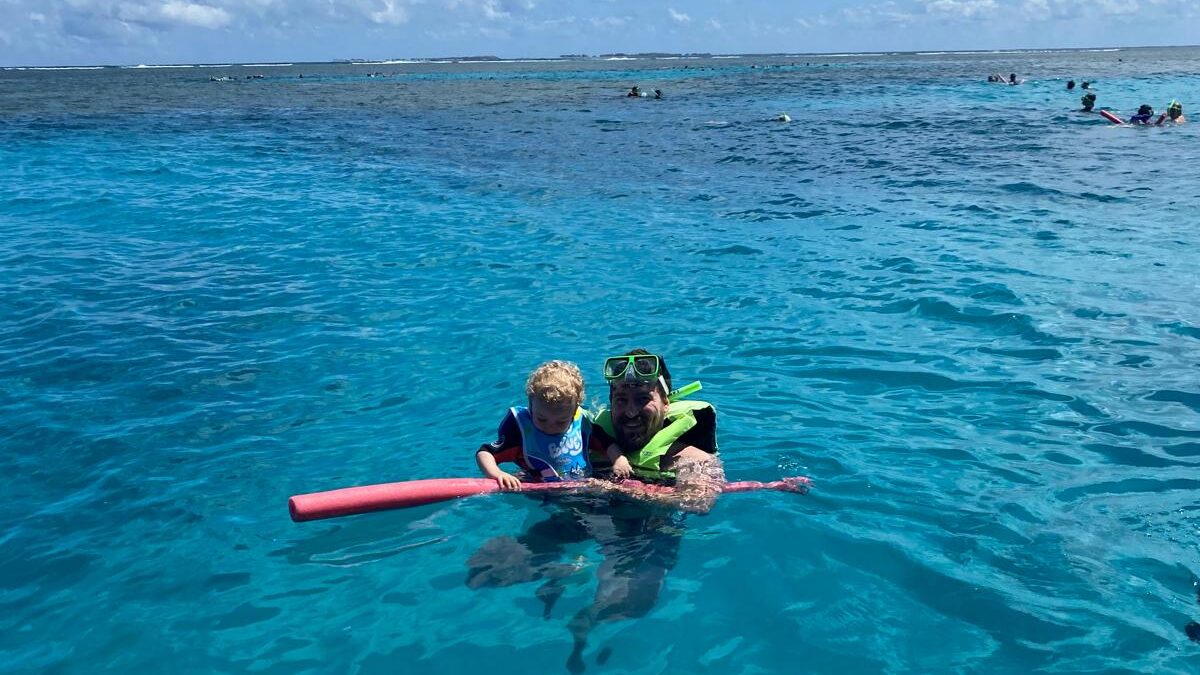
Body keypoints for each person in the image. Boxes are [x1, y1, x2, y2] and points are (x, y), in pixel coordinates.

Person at [475, 360, 608, 489]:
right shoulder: (521, 432)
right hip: (541, 489)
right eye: (542, 419)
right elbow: (485, 453)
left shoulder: (581, 424)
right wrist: (498, 474)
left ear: (574, 412)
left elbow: (606, 442)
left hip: (586, 484)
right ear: (531, 406)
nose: (550, 427)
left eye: (561, 422)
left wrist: (619, 460)